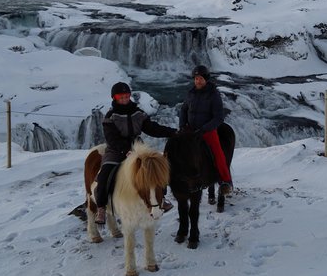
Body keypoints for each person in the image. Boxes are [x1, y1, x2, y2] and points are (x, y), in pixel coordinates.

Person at [94, 82, 177, 224]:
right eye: (121, 97)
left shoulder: (137, 113)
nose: (125, 99)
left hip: (138, 149)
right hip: (116, 150)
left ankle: (161, 199)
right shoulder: (110, 116)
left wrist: (172, 132)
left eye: (127, 96)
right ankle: (101, 207)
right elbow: (112, 139)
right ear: (115, 98)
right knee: (104, 175)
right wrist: (125, 150)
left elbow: (152, 128)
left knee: (155, 168)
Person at [179, 65, 233, 196]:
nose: (198, 81)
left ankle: (226, 181)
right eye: (196, 79)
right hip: (191, 130)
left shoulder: (213, 95)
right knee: (178, 151)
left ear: (206, 79)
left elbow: (219, 117)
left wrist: (204, 129)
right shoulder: (191, 93)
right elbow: (183, 109)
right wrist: (182, 126)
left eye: (201, 79)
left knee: (218, 154)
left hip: (207, 131)